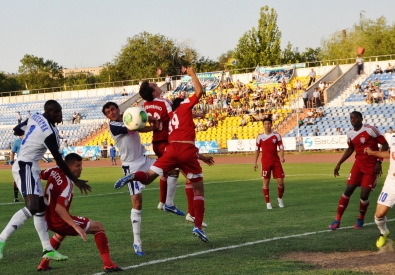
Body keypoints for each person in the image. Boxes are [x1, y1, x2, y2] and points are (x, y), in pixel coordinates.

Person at [114, 67, 211, 243]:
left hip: (169, 148)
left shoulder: (155, 108)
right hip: (184, 150)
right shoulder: (178, 107)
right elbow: (199, 91)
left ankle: (133, 176)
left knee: (149, 177)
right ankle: (196, 223)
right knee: (198, 188)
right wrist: (192, 74)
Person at [0, 100, 91, 264]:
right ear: (48, 112)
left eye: (60, 111)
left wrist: (30, 135)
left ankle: (48, 249)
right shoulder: (51, 132)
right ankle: (1, 239)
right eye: (56, 112)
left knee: (40, 209)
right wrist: (75, 180)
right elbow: (59, 160)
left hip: (31, 166)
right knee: (34, 206)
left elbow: (16, 130)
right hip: (25, 165)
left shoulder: (35, 117)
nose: (60, 115)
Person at [140, 80, 211, 226]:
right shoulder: (164, 102)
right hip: (169, 142)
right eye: (154, 85)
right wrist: (192, 115)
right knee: (190, 178)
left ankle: (163, 202)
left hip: (157, 142)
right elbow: (175, 117)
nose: (157, 85)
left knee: (167, 172)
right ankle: (181, 209)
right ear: (154, 92)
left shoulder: (145, 105)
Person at [36, 153, 122, 272]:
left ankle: (43, 264)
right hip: (57, 220)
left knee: (61, 234)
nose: (81, 168)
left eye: (81, 165)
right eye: (78, 166)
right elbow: (59, 209)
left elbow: (39, 174)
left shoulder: (54, 169)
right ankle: (108, 264)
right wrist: (76, 227)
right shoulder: (67, 184)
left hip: (46, 218)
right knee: (98, 226)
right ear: (69, 166)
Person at [102, 101, 159, 256]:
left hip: (144, 159)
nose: (111, 113)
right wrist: (150, 118)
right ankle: (137, 242)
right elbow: (135, 125)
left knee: (169, 166)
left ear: (118, 109)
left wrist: (153, 126)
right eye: (108, 112)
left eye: (112, 109)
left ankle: (167, 203)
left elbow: (141, 126)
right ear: (107, 116)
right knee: (137, 203)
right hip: (130, 166)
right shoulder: (114, 125)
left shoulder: (128, 117)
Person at [328, 111, 389, 230]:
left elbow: (385, 145)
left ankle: (361, 218)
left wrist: (379, 162)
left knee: (364, 195)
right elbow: (350, 149)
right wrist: (339, 163)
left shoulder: (371, 130)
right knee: (348, 190)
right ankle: (337, 220)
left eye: (356, 117)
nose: (353, 119)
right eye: (351, 118)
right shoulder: (350, 133)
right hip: (358, 165)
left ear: (361, 119)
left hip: (371, 166)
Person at [364, 135, 395, 248]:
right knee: (379, 215)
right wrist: (373, 152)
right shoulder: (394, 137)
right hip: (391, 182)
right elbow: (390, 154)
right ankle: (384, 232)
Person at [253, 117, 285, 210]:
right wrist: (255, 162)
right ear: (263, 125)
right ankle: (268, 203)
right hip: (265, 162)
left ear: (271, 124)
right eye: (265, 124)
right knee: (266, 181)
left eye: (268, 124)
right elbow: (257, 150)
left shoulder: (276, 136)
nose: (267, 125)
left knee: (280, 181)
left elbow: (281, 147)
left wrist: (282, 157)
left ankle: (279, 198)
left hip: (276, 161)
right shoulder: (260, 137)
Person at [10, 135, 24, 202]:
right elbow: (12, 152)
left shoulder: (29, 139)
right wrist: (12, 161)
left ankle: (27, 195)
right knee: (16, 179)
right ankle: (16, 197)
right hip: (19, 163)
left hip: (29, 162)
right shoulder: (17, 141)